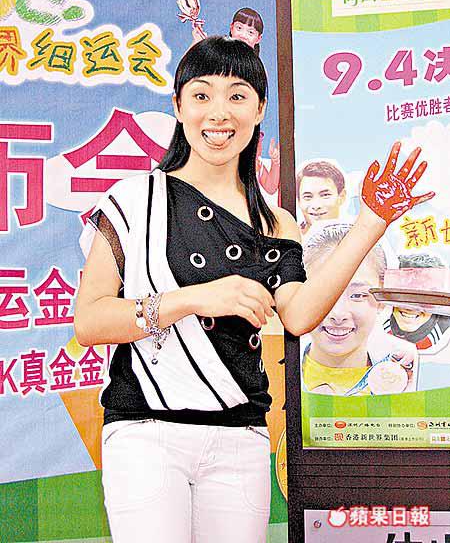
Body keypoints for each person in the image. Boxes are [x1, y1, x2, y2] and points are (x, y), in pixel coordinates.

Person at [74, 36, 433, 542]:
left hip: (240, 439)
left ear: (260, 109)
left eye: (238, 96)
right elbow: (89, 321)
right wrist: (194, 298)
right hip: (145, 433)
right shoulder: (134, 200)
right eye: (202, 95)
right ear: (178, 105)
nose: (219, 113)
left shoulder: (275, 221)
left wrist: (371, 222)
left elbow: (300, 315)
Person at [301, 224, 417, 395]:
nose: (338, 314)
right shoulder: (272, 371)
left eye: (357, 295)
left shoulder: (408, 374)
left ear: (382, 298)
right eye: (322, 293)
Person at [383, 253, 450, 350]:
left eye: (425, 298)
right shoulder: (377, 324)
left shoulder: (443, 333)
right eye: (403, 295)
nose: (411, 308)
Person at [296, 160, 346, 235]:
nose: (316, 206)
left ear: (342, 197)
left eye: (325, 195)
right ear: (298, 201)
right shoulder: (288, 237)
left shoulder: (356, 235)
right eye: (308, 196)